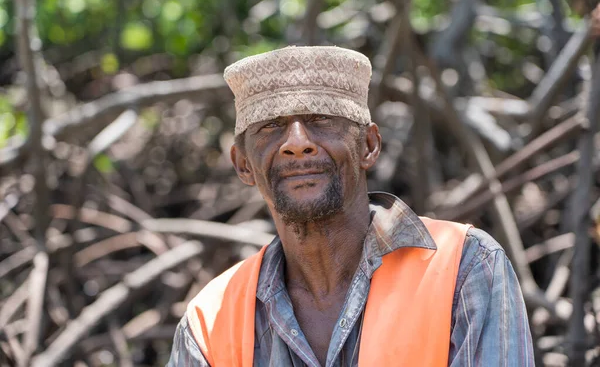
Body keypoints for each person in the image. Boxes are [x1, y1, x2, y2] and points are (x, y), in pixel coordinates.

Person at [167, 46, 534, 366]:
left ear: (369, 146)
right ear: (243, 164)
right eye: (271, 126)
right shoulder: (209, 322)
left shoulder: (467, 268)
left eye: (321, 119)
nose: (297, 143)